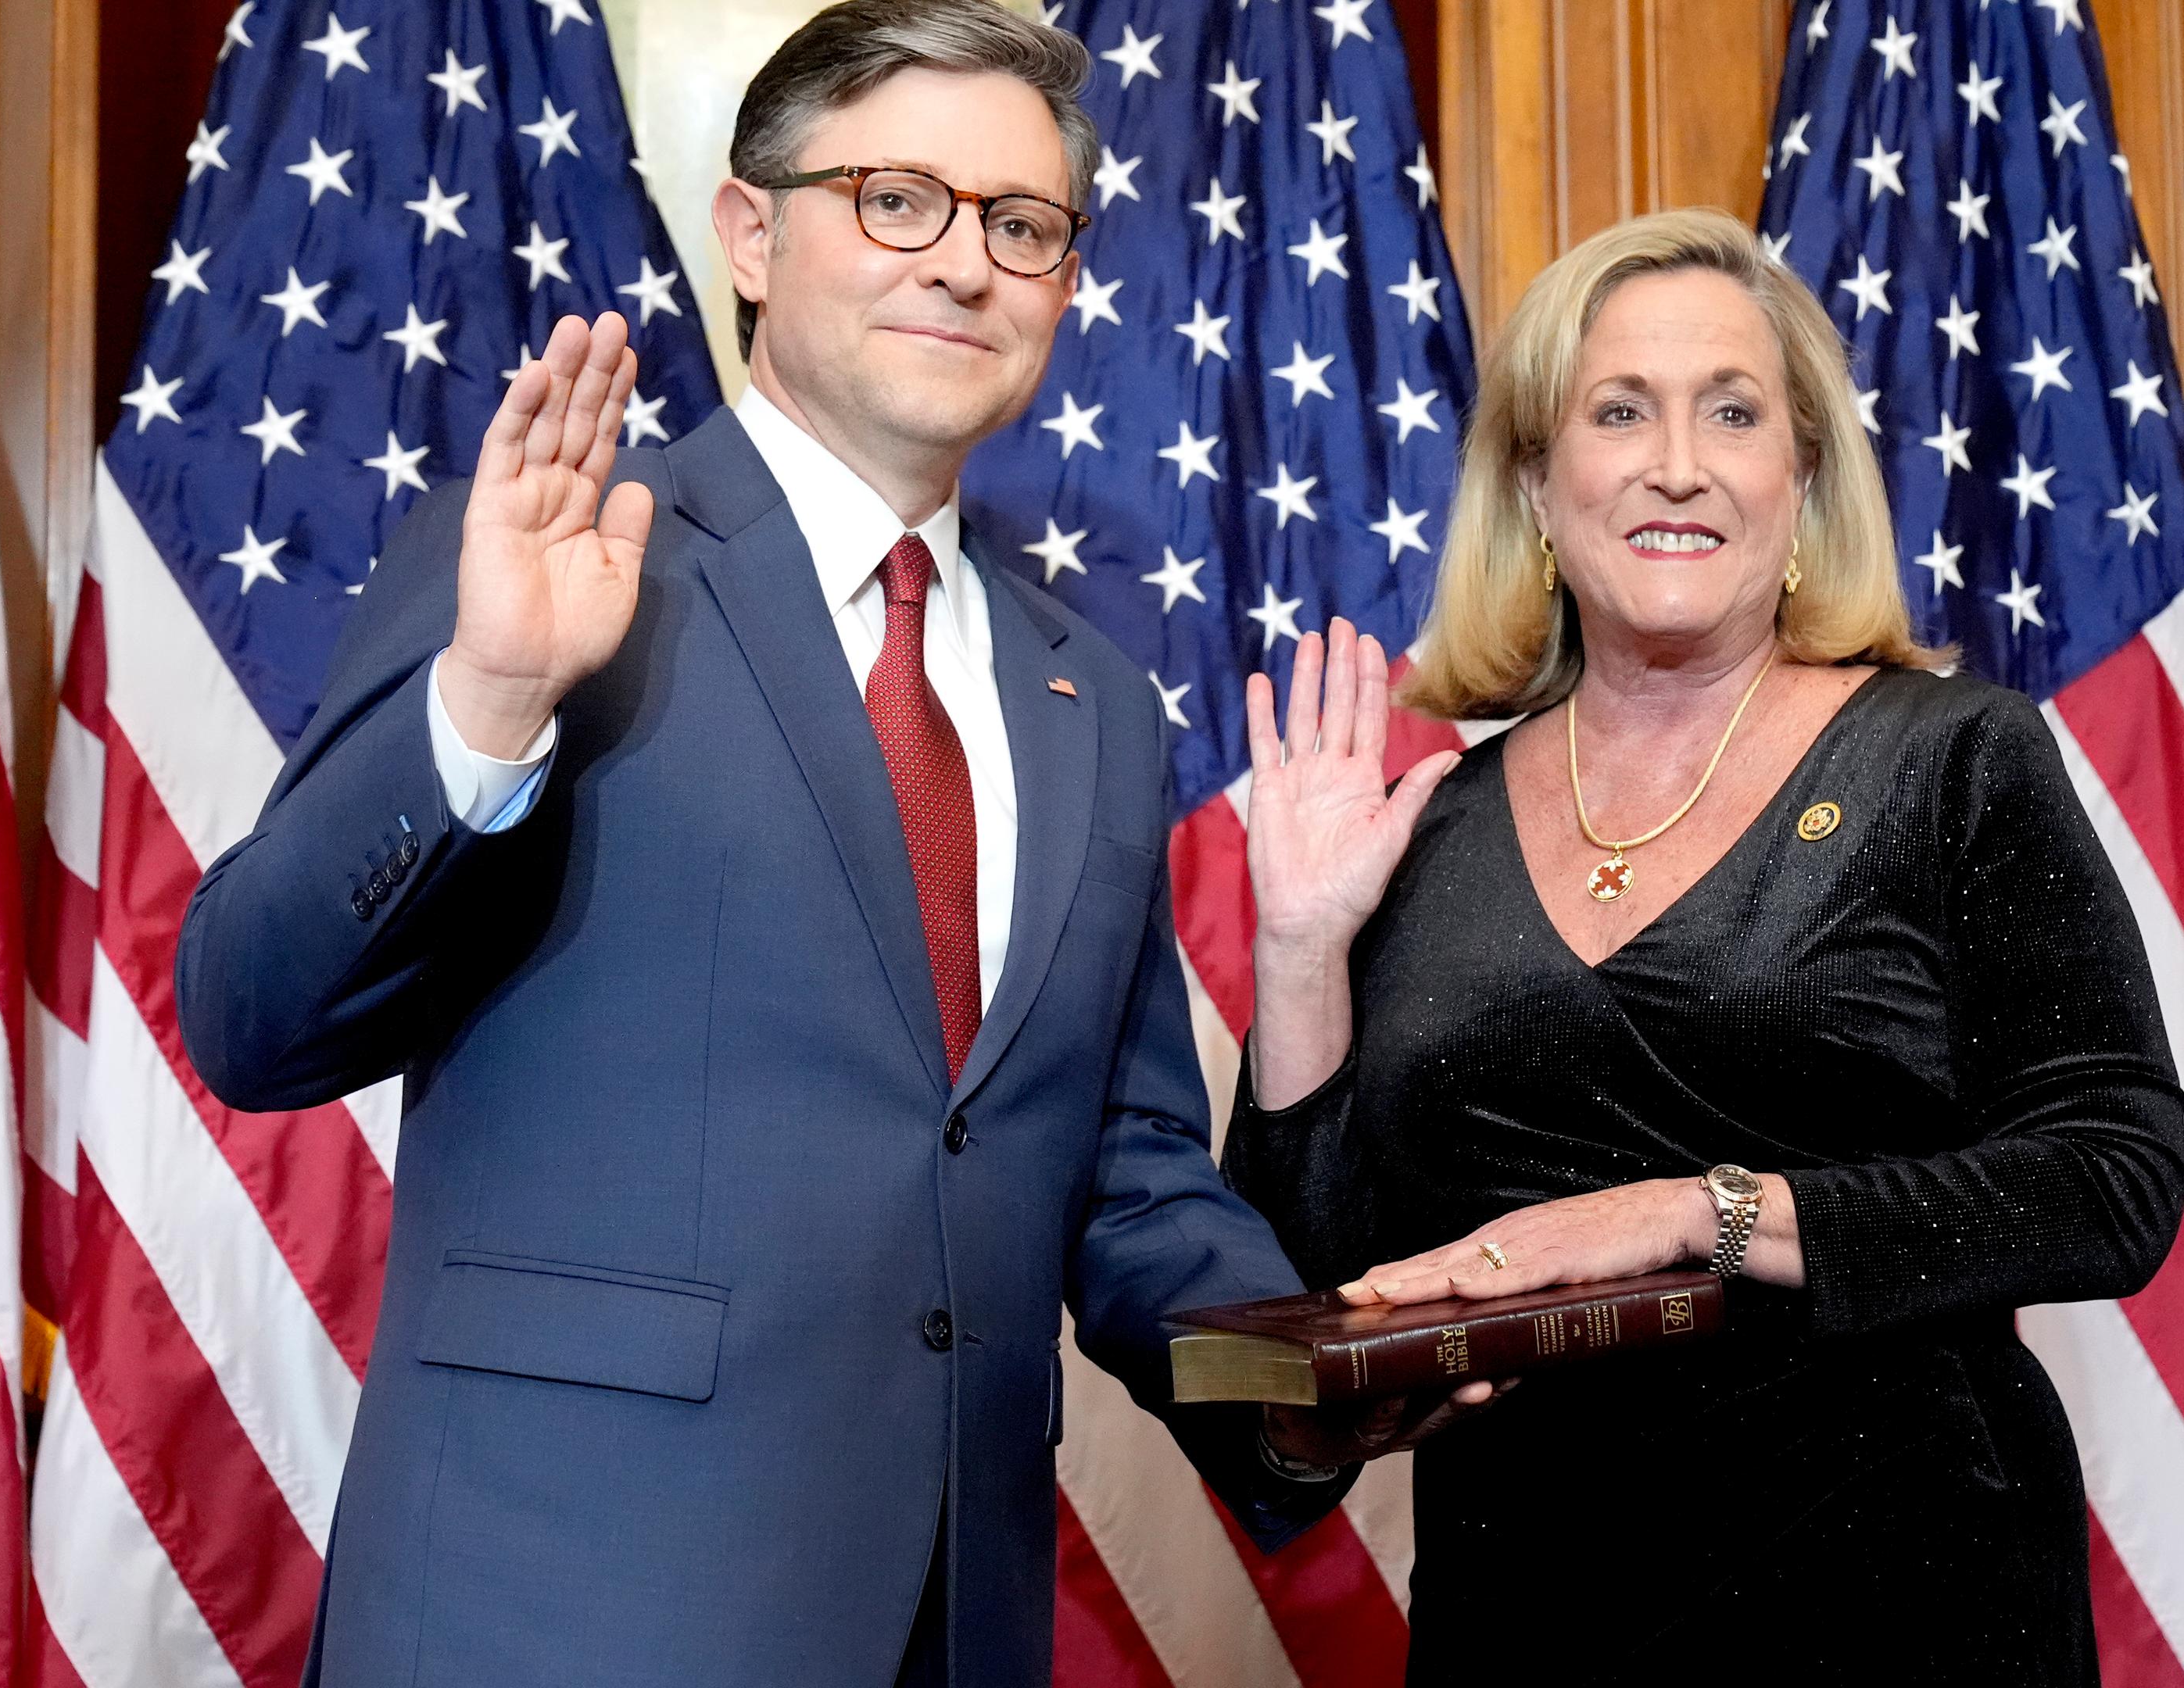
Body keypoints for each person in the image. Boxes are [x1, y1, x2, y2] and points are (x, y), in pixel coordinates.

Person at [175, 5, 1480, 1683]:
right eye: (896, 199)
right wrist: (488, 704)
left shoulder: (1096, 698)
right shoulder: (563, 559)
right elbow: (248, 1019)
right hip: (558, 1616)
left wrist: (1312, 1374)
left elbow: (1126, 1185)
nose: (962, 265)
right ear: (750, 231)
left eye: (1020, 225)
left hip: (954, 1630)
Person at [1223, 207, 2184, 1684]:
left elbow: (2112, 1182)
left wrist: (1695, 1215)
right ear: (1539, 488)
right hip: (1527, 1614)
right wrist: (1298, 953)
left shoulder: (1955, 760)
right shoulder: (1430, 824)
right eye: (1620, 412)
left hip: (1899, 1598)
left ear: (1800, 483)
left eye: (1731, 412)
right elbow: (1325, 1305)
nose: (1677, 463)